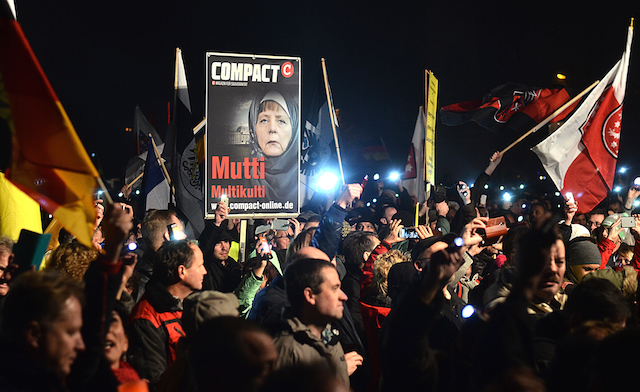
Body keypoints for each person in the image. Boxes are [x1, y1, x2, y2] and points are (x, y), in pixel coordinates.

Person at [128, 239, 207, 387]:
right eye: (200, 265)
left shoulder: (185, 306)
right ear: (182, 271)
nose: (205, 271)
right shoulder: (146, 319)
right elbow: (155, 380)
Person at [275, 257, 363, 386]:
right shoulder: (287, 350)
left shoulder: (326, 333)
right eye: (334, 288)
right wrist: (338, 371)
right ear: (310, 295)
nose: (343, 296)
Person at [248, 90, 299, 204]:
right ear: (253, 127)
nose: (272, 129)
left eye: (281, 121)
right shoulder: (238, 178)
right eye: (264, 120)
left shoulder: (306, 182)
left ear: (294, 128)